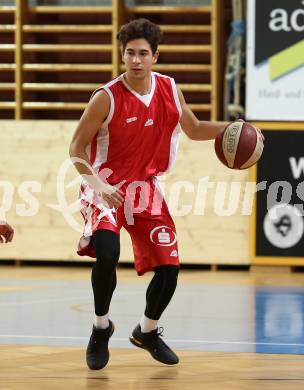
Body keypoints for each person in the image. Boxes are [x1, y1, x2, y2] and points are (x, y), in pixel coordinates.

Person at [69, 18, 258, 370]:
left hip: (145, 188)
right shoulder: (105, 97)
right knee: (107, 252)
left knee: (169, 268)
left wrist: (238, 128)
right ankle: (100, 327)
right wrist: (98, 185)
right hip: (104, 184)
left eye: (143, 53)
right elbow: (76, 149)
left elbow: (196, 128)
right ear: (122, 55)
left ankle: (147, 331)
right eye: (129, 53)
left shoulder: (170, 89)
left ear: (156, 55)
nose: (136, 60)